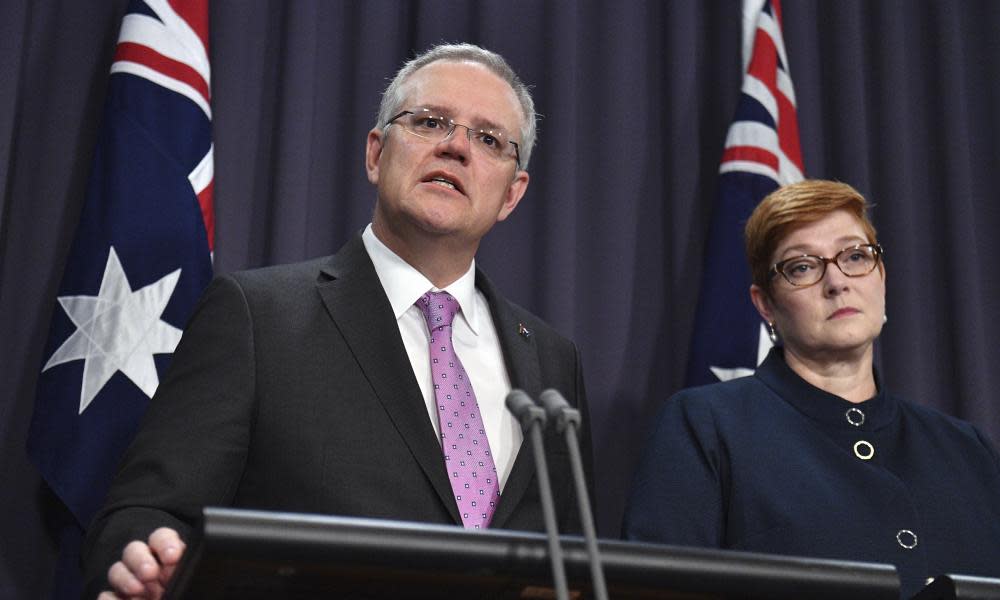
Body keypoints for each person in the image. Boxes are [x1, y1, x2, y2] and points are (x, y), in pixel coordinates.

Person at [83, 43, 592, 599]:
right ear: (376, 154)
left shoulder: (551, 362)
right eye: (429, 122)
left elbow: (570, 561)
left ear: (512, 195)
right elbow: (149, 512)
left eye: (489, 139)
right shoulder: (258, 317)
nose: (456, 147)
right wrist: (146, 562)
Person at [623, 180, 1000, 597]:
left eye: (856, 256)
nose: (837, 282)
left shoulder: (969, 450)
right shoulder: (706, 427)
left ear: (882, 278)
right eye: (802, 267)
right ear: (765, 304)